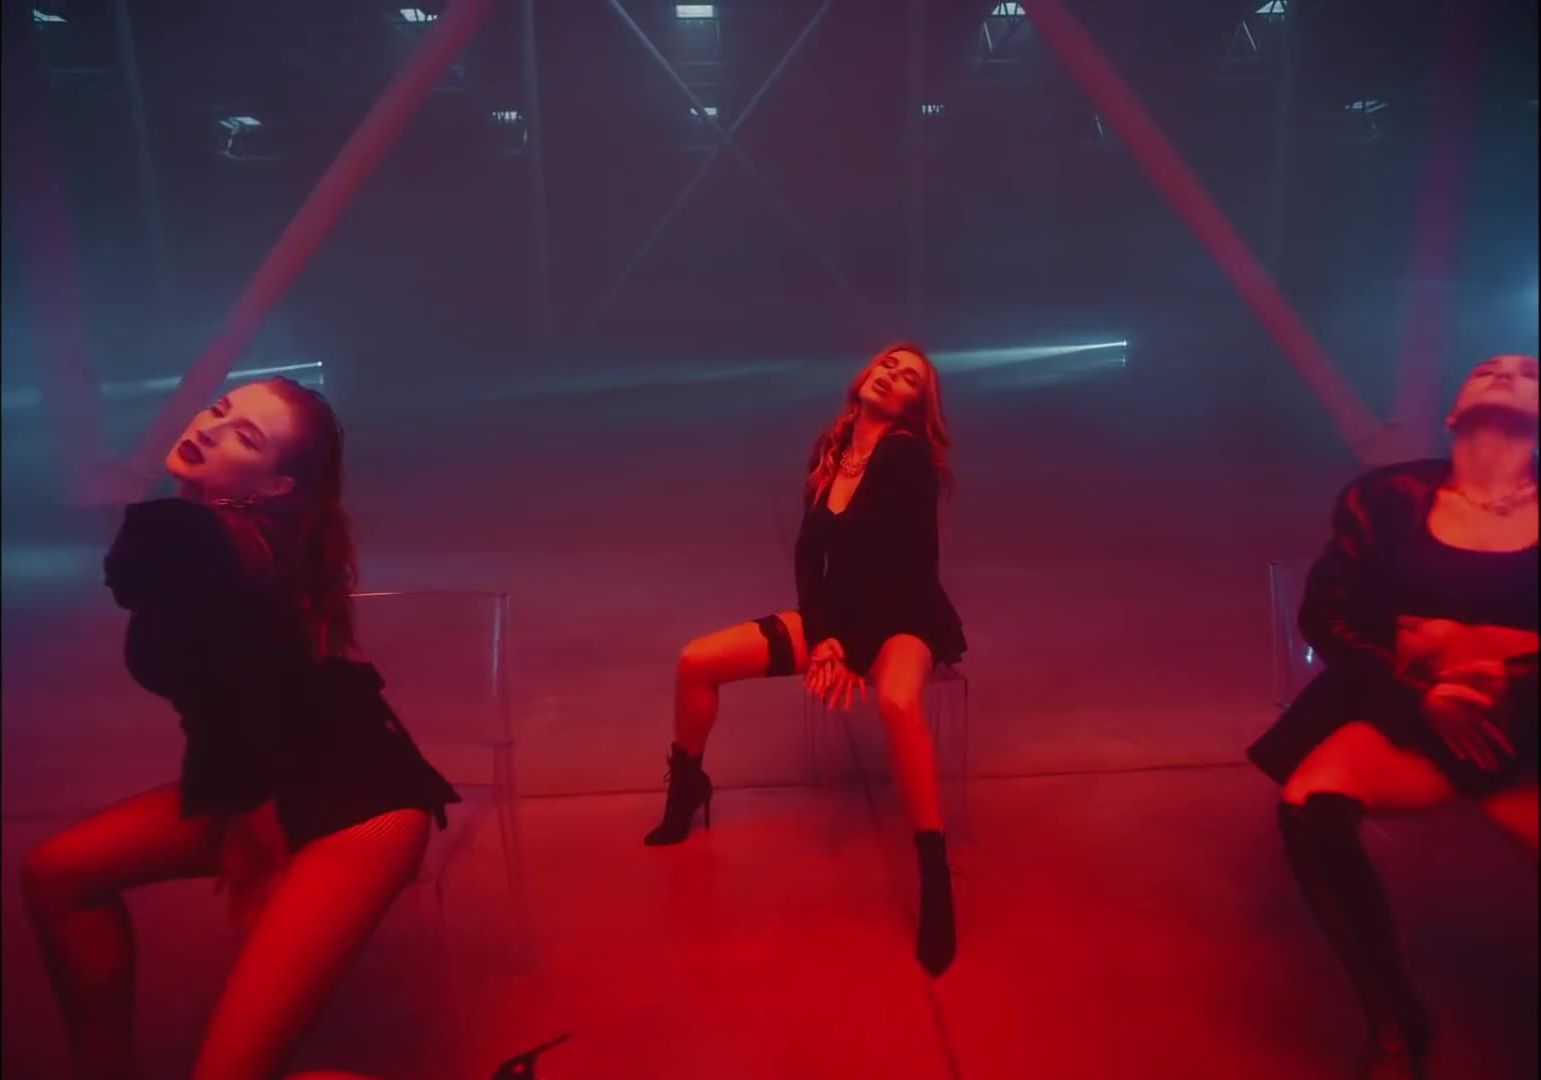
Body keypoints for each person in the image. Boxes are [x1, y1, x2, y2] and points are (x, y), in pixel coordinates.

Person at [22, 377, 460, 1080]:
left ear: (275, 484)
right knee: (57, 875)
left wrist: (256, 829)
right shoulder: (230, 542)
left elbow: (229, 681)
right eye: (219, 410)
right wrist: (246, 813)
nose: (211, 427)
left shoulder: (193, 535)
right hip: (264, 777)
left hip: (358, 806)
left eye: (245, 437)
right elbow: (231, 696)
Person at [1248, 354, 1539, 1079]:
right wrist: (1418, 700)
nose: (1506, 373)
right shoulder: (1384, 498)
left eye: (1529, 371)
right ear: (1452, 412)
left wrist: (1513, 680)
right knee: (1309, 808)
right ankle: (1395, 1024)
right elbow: (1325, 614)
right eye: (1488, 367)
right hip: (1413, 717)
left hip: (1529, 731)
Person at [644, 343, 968, 977]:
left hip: (905, 617)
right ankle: (688, 789)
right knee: (696, 661)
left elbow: (916, 574)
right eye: (887, 365)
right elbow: (805, 558)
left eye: (908, 377)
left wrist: (853, 650)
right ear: (866, 375)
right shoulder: (835, 449)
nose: (891, 375)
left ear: (915, 405)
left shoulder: (906, 458)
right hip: (838, 620)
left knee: (897, 699)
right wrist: (822, 640)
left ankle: (935, 876)